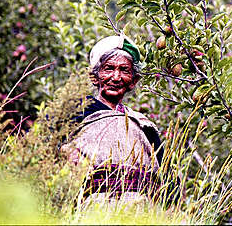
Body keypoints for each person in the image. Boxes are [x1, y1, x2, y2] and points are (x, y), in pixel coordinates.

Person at [61, 34, 163, 207]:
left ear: (133, 81)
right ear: (95, 77)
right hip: (92, 208)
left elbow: (163, 174)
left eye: (124, 70)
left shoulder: (143, 125)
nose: (116, 77)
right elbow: (47, 149)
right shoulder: (76, 112)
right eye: (109, 68)